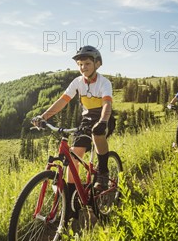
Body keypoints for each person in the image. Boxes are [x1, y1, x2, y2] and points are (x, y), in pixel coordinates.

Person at [32, 46, 115, 199]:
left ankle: (103, 171)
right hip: (87, 119)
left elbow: (107, 105)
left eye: (87, 64)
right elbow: (63, 101)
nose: (83, 68)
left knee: (97, 133)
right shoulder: (77, 82)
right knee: (74, 156)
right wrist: (43, 117)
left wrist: (103, 121)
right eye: (80, 65)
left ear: (97, 64)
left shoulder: (104, 83)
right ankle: (71, 197)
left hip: (104, 117)